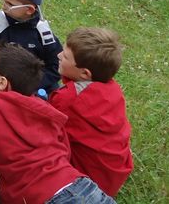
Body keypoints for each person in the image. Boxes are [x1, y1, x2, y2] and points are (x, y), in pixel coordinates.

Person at [0, 43, 115, 204]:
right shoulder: (46, 109)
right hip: (83, 186)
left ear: (2, 82)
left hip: (46, 197)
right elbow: (65, 150)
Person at [49, 28, 133, 197]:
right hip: (112, 176)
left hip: (84, 184)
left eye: (65, 56)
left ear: (85, 73)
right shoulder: (113, 89)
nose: (59, 55)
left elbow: (45, 127)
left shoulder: (69, 98)